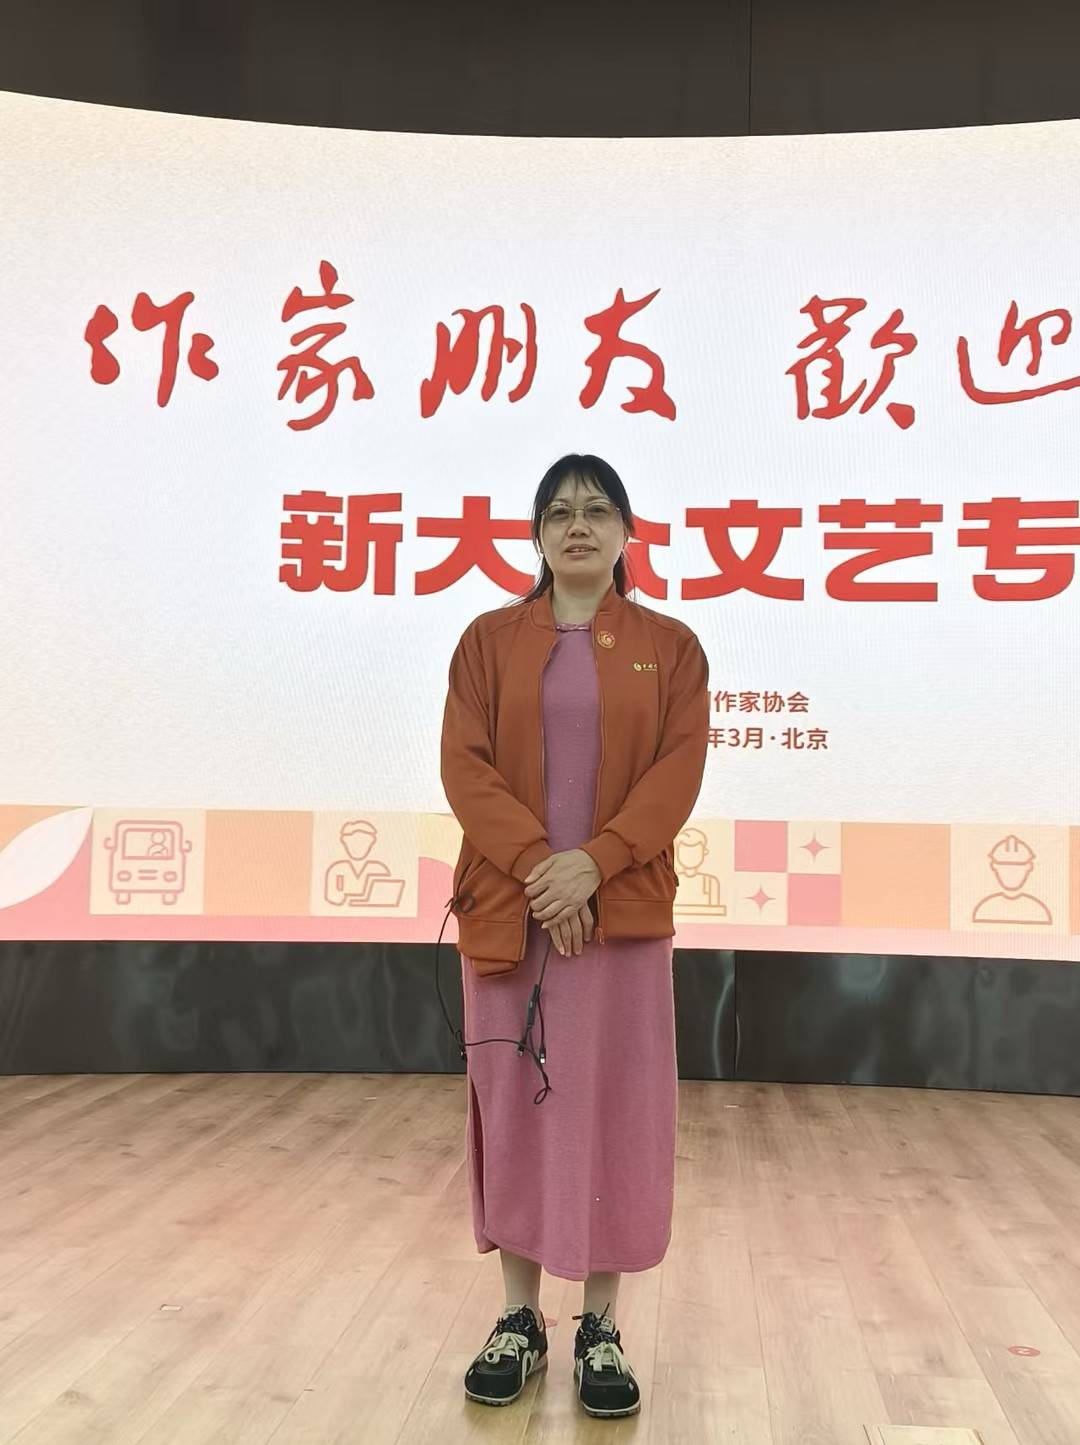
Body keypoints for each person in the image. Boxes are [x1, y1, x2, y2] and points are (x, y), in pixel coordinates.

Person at [440, 453, 709, 1418]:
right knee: (514, 1105)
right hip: (512, 913)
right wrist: (543, 871)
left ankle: (600, 1324)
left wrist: (593, 863)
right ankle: (519, 1318)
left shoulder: (671, 646)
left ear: (628, 532)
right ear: (538, 535)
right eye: (559, 513)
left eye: (598, 511)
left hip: (619, 916)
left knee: (615, 1107)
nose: (579, 526)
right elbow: (465, 769)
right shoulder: (486, 641)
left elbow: (676, 774)